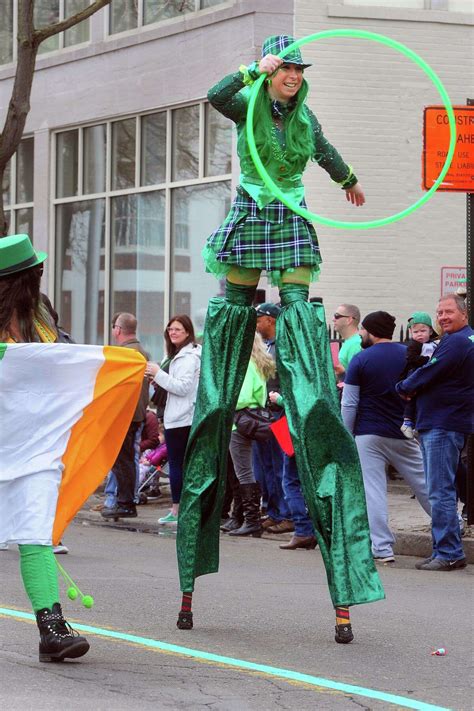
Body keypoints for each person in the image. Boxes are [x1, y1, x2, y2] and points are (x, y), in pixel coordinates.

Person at [175, 34, 383, 640]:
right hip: (252, 213)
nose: (292, 76)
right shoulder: (248, 100)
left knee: (296, 311)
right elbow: (216, 95)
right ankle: (192, 574)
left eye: (297, 69)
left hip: (290, 218)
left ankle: (343, 586)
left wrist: (348, 178)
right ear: (271, 72)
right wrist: (251, 67)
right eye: (284, 68)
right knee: (235, 307)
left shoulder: (305, 113)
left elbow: (321, 149)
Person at [0, 234, 89, 662]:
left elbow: (64, 361)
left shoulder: (41, 316)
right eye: (35, 271)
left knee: (36, 534)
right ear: (20, 279)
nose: (41, 275)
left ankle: (51, 628)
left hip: (38, 447)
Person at [341, 311, 431, 564]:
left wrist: (348, 434)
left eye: (363, 330)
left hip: (368, 434)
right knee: (425, 484)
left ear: (371, 331)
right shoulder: (407, 355)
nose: (360, 334)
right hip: (403, 431)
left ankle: (382, 549)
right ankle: (451, 527)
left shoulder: (361, 359)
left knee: (374, 491)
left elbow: (349, 404)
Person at [397, 294, 473, 571]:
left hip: (442, 423)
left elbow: (430, 371)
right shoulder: (462, 340)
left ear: (464, 313)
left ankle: (449, 552)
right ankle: (445, 548)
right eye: (439, 312)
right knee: (443, 489)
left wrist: (404, 386)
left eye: (448, 312)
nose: (442, 317)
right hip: (447, 421)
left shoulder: (456, 341)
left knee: (439, 491)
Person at [145, 315, 201, 525]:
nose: (173, 333)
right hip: (178, 416)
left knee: (178, 465)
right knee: (180, 465)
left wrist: (159, 374)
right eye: (170, 329)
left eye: (177, 329)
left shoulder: (187, 357)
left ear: (187, 332)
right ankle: (180, 509)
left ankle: (177, 510)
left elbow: (182, 387)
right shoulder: (179, 355)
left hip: (182, 418)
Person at [102, 313, 150, 520]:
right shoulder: (142, 352)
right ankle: (126, 501)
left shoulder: (124, 354)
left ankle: (125, 502)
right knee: (128, 459)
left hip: (124, 415)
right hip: (137, 413)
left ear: (118, 329)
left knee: (123, 461)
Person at [227, 333, 275, 537]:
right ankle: (246, 518)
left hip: (239, 423)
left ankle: (251, 520)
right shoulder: (257, 363)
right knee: (248, 470)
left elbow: (243, 397)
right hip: (251, 421)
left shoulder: (245, 365)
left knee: (243, 471)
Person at [254, 302, 294, 534]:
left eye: (259, 319)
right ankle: (273, 511)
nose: (257, 324)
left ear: (270, 320)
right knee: (265, 466)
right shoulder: (266, 346)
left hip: (280, 414)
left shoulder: (283, 346)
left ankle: (288, 514)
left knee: (281, 466)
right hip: (265, 414)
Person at [268, 390, 316, 550]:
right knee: (308, 483)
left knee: (290, 482)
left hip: (297, 430)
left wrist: (279, 399)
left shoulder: (298, 368)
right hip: (313, 430)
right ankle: (313, 531)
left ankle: (303, 531)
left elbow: (297, 401)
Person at [399, 311, 438, 439]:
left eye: (423, 331)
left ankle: (417, 424)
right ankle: (407, 421)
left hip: (429, 374)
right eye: (416, 332)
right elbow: (411, 359)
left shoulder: (434, 344)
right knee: (412, 398)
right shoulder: (414, 345)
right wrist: (427, 361)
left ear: (430, 331)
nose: (419, 334)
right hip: (415, 373)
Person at [332, 303, 362, 379]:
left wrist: (341, 373)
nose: (333, 319)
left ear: (349, 320)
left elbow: (356, 379)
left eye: (337, 316)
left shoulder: (356, 344)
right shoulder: (350, 342)